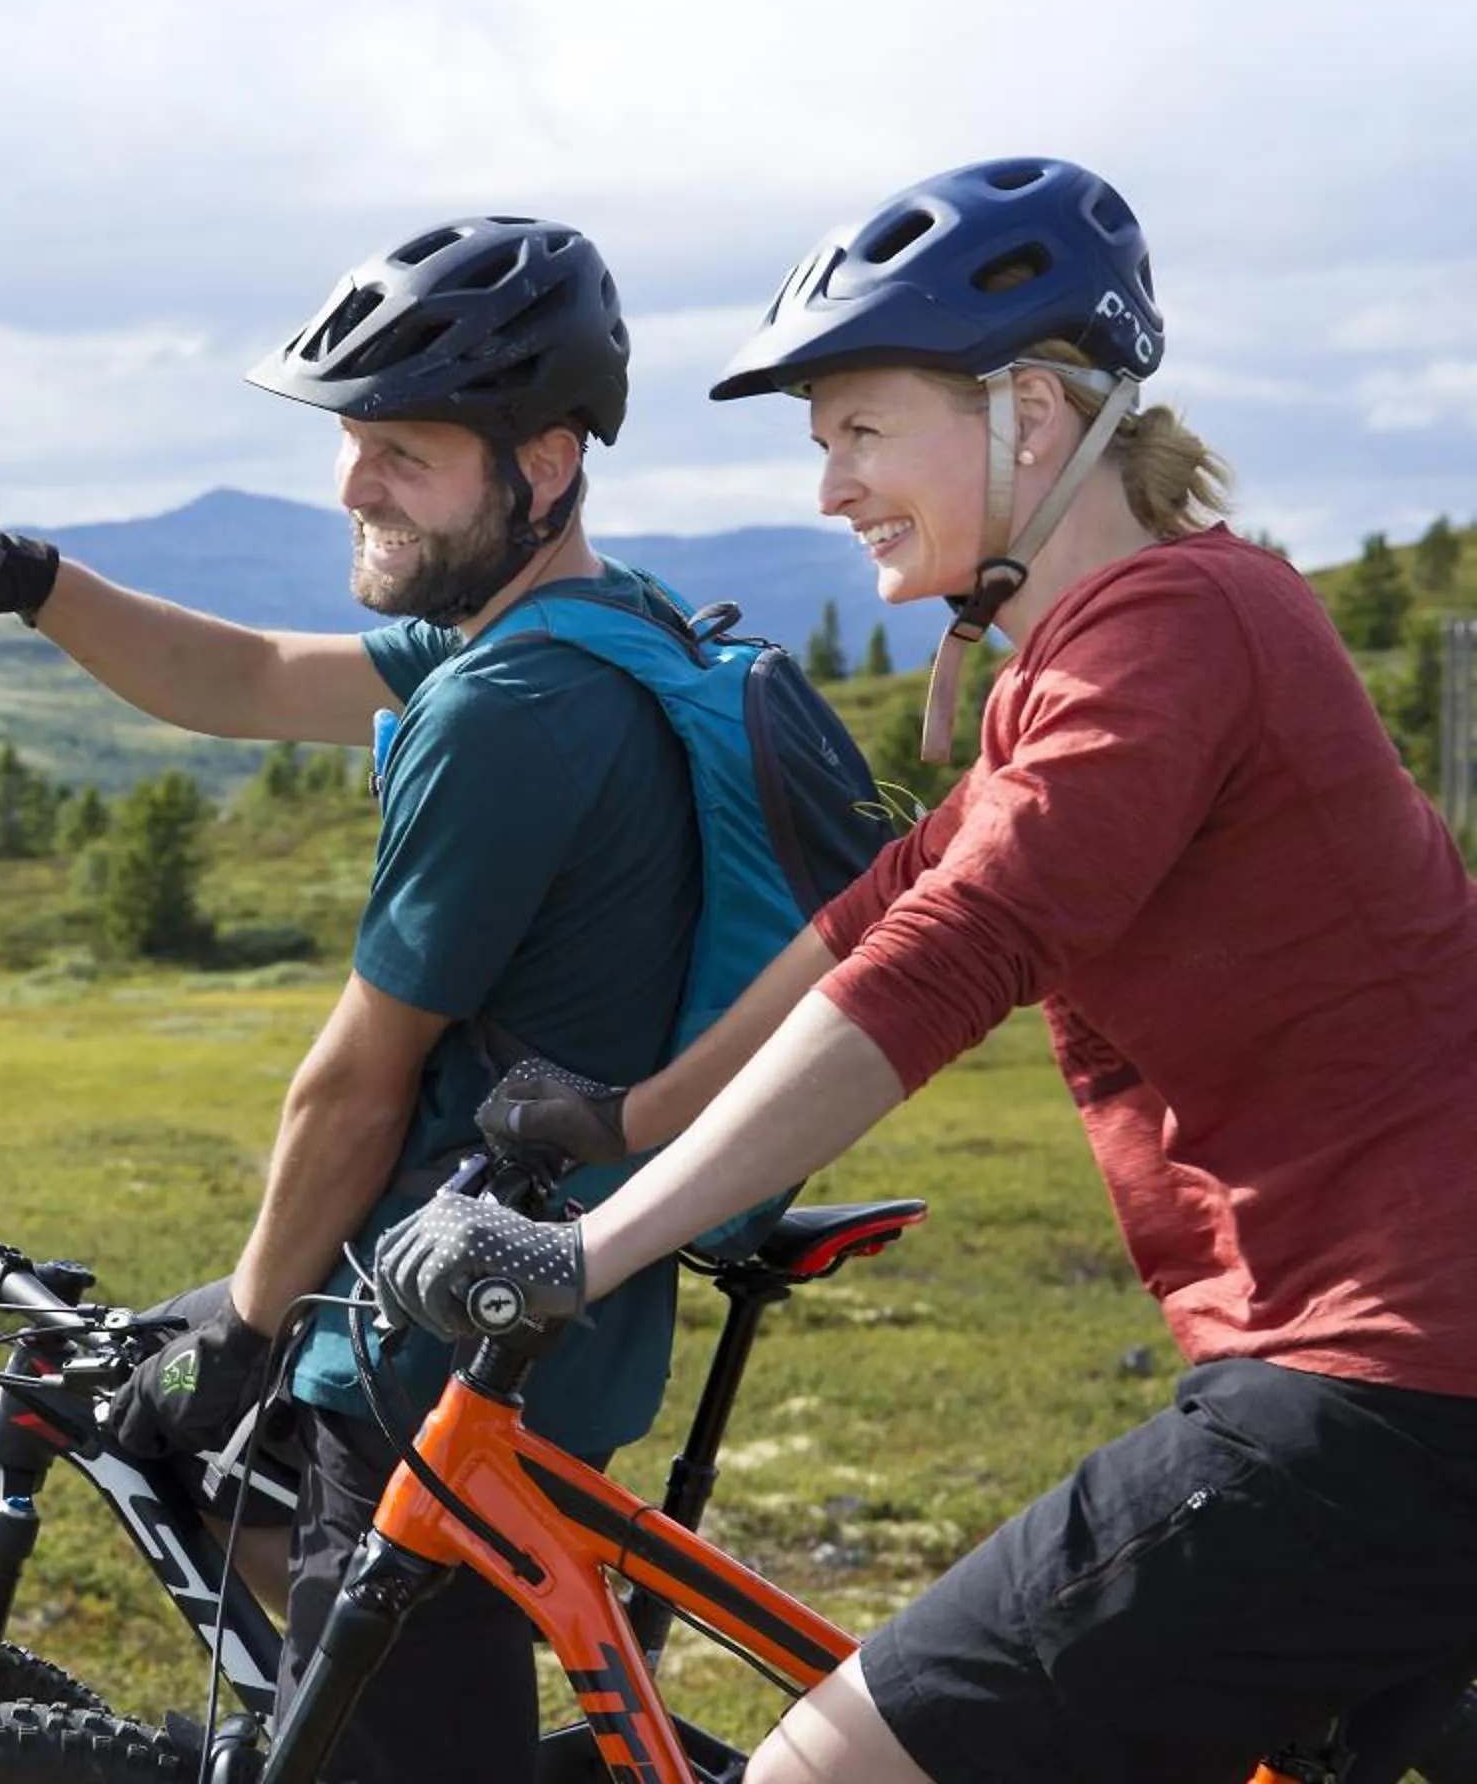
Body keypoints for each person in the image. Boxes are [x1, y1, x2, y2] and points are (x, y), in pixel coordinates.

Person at [380, 156, 1477, 1783]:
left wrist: (591, 1254)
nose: (831, 488)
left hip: (1390, 1381)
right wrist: (628, 1116)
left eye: (860, 431)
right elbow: (897, 898)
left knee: (824, 1770)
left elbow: (958, 955)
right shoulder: (1111, 649)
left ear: (1030, 415)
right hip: (1382, 1370)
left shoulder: (1176, 632)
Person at [0, 214, 724, 1778]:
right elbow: (243, 678)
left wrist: (245, 1327)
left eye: (412, 451)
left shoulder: (512, 708)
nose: (360, 484)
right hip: (489, 1296)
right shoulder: (574, 627)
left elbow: (357, 1079)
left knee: (383, 1722)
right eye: (356, 440)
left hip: (434, 1350)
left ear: (551, 460)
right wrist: (34, 580)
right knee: (192, 1462)